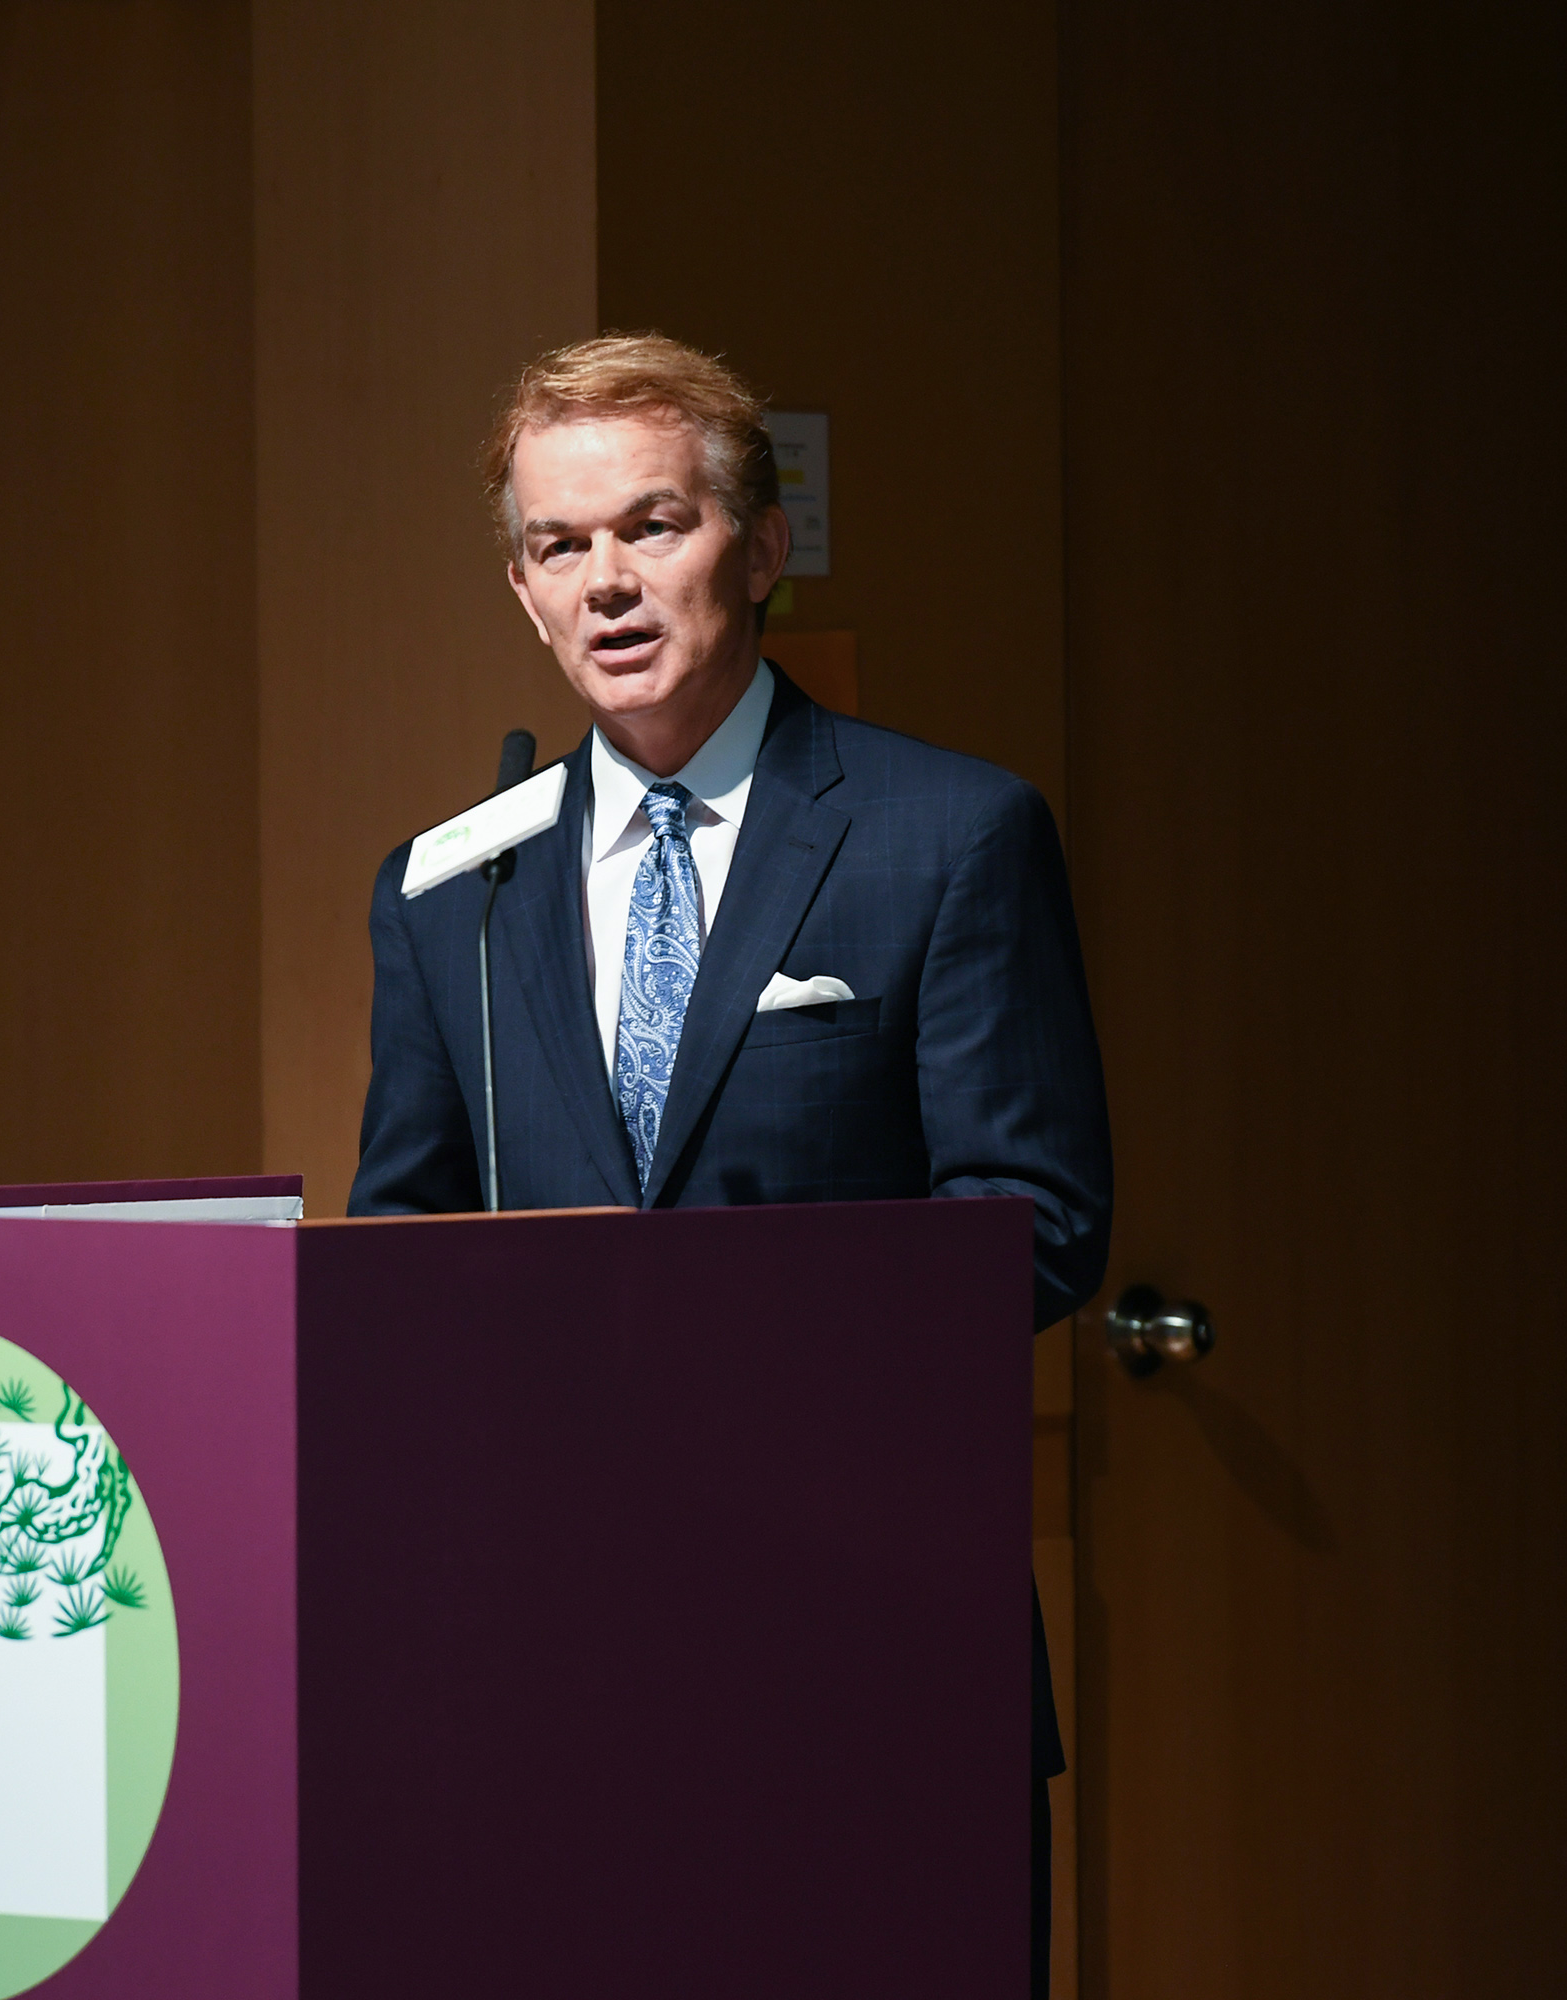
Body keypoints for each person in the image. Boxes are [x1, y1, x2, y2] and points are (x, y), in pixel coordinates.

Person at [349, 332, 1111, 1991]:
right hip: (550, 1668)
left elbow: (1038, 1221)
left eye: (655, 525)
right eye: (561, 546)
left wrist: (730, 1342)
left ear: (761, 549)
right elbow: (400, 1248)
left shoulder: (948, 835)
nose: (608, 583)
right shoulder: (451, 891)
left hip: (870, 1643)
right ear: (523, 593)